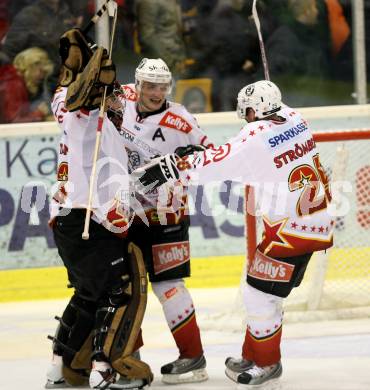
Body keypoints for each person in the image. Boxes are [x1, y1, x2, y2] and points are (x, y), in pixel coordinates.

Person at [134, 80, 334, 388]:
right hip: (309, 219)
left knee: (259, 296)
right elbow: (252, 149)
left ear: (254, 110)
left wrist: (172, 167)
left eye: (247, 114)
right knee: (258, 289)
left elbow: (218, 163)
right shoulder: (295, 117)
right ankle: (252, 355)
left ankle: (268, 365)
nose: (247, 119)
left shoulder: (255, 136)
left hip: (293, 230)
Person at [45, 39, 153, 389]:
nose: (120, 106)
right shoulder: (94, 122)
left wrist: (85, 66)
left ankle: (58, 368)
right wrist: (119, 220)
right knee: (116, 291)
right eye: (115, 98)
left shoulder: (66, 109)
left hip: (65, 219)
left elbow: (65, 94)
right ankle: (102, 368)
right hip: (86, 220)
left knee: (86, 293)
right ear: (99, 96)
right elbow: (113, 203)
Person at [116, 57, 213, 384]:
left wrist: (175, 166)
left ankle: (192, 358)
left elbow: (209, 156)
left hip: (165, 212)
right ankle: (127, 357)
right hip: (124, 211)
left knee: (168, 286)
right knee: (124, 286)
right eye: (150, 86)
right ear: (137, 84)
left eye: (163, 87)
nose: (157, 93)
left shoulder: (181, 121)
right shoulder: (120, 97)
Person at [0, 47, 53, 123]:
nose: (42, 76)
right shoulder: (14, 85)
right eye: (41, 71)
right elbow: (14, 121)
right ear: (29, 68)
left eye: (44, 73)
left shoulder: (18, 82)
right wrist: (39, 113)